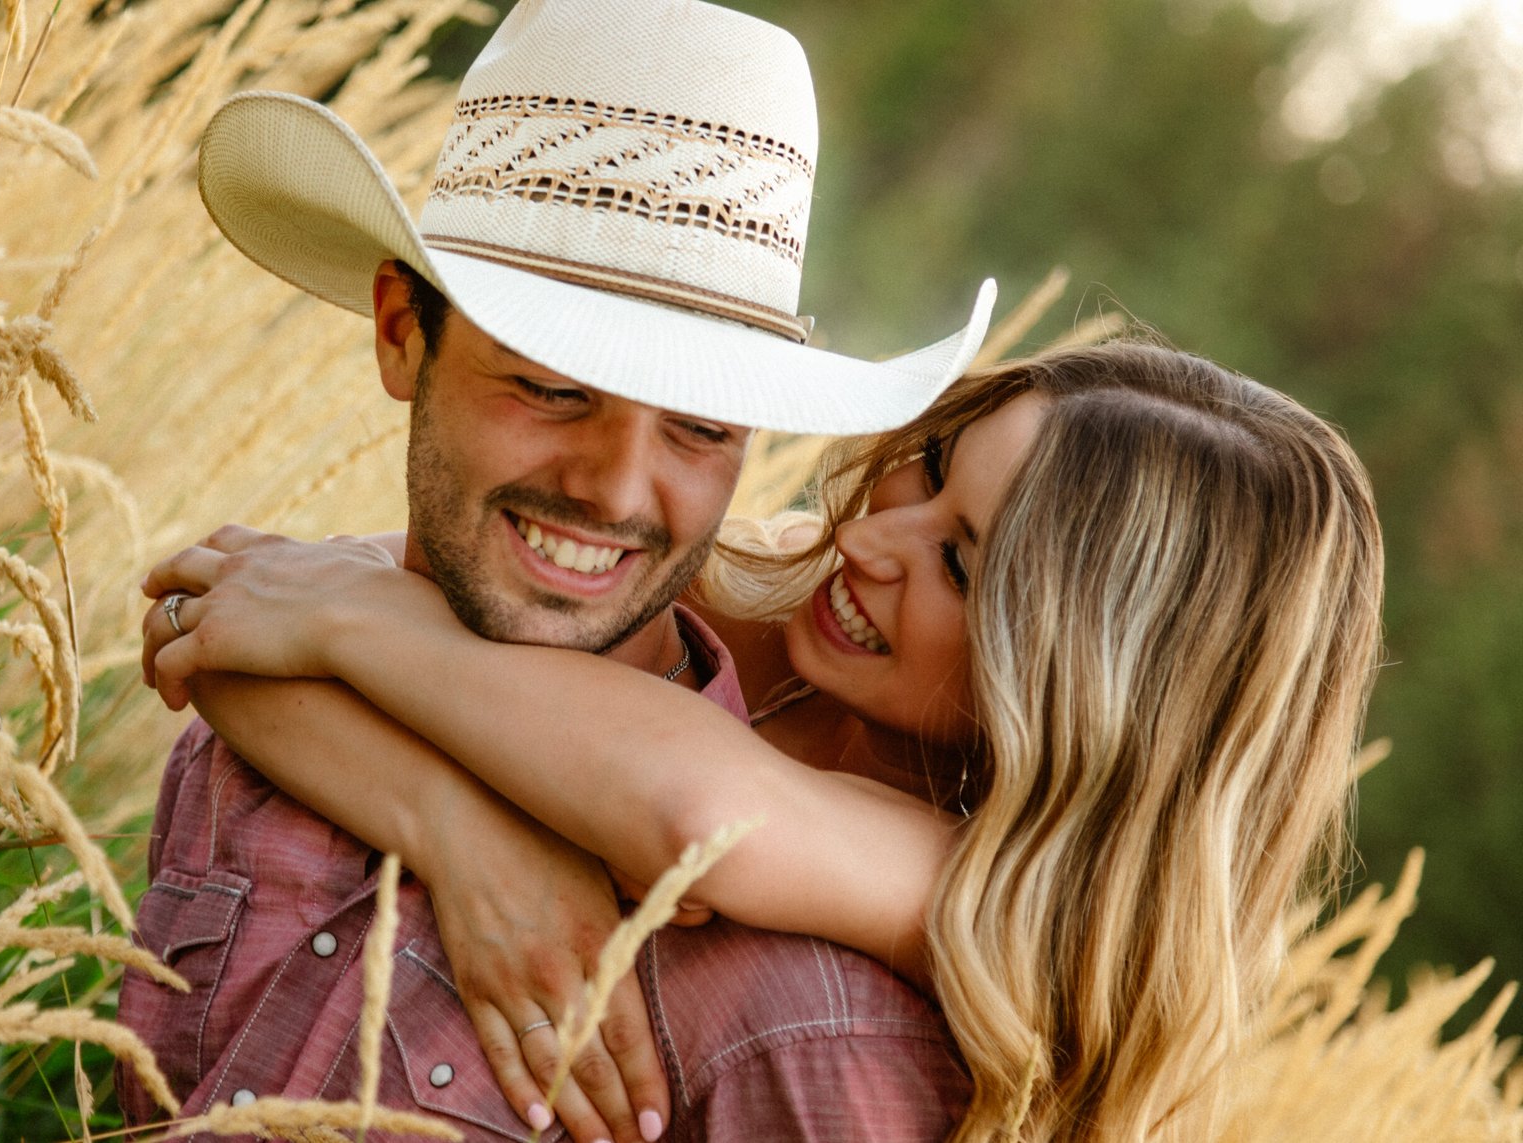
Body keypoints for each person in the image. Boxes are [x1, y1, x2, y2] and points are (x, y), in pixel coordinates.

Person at [117, 1, 998, 1141]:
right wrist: (452, 822)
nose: (617, 493)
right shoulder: (264, 693)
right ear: (400, 331)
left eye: (701, 426)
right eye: (550, 388)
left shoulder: (805, 1023)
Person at [142, 340, 1385, 1142]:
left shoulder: (1005, 901)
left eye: (961, 565)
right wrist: (462, 836)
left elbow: (695, 818)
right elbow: (237, 625)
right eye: (928, 468)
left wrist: (350, 623)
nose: (868, 541)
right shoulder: (789, 595)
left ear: (1082, 697)